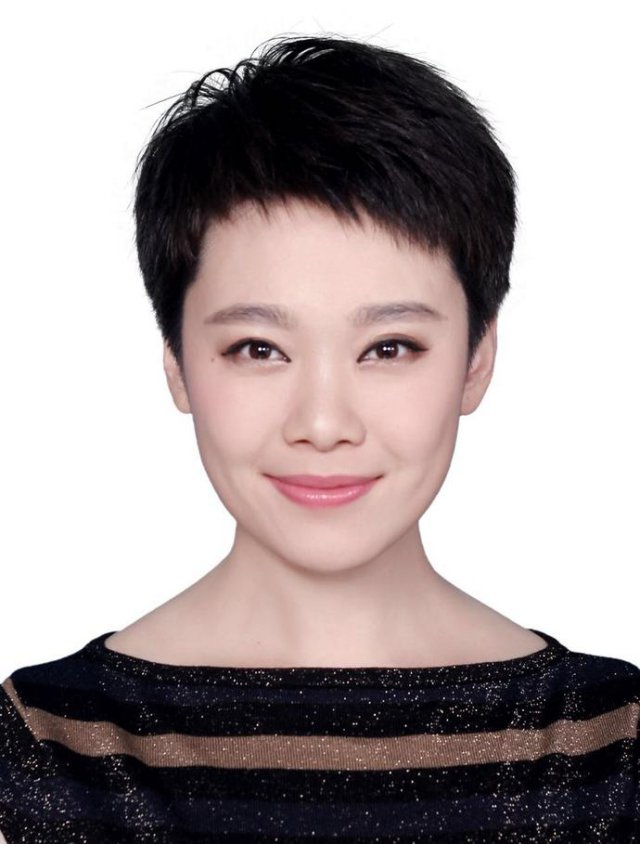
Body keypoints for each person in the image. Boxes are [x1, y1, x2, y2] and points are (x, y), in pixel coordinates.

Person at [1, 32, 638, 842]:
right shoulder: (50, 743)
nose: (324, 424)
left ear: (477, 360)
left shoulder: (606, 742)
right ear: (178, 365)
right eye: (258, 349)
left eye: (390, 348)